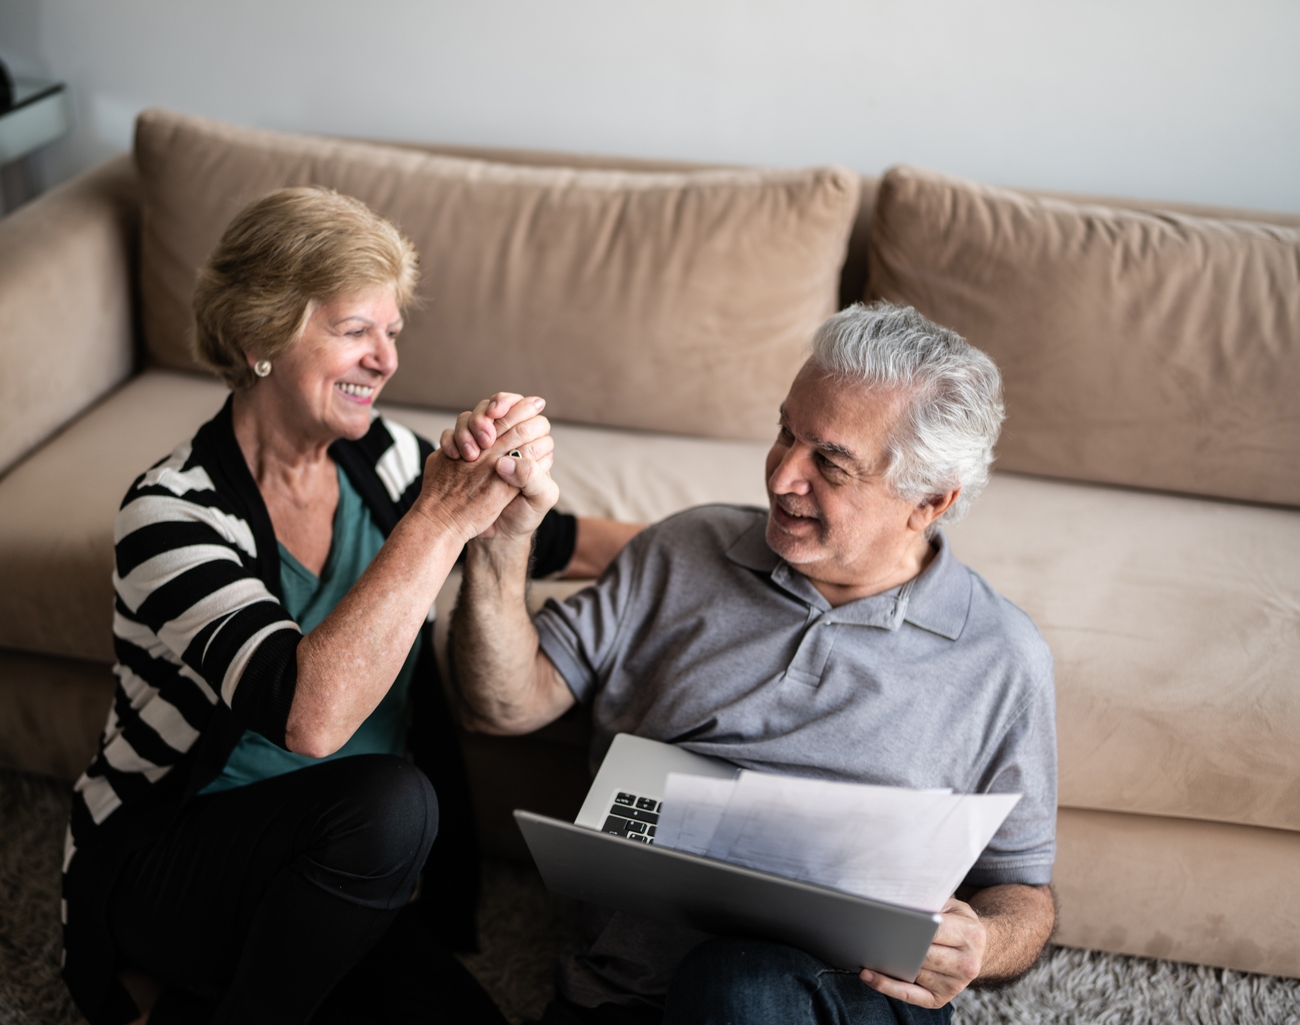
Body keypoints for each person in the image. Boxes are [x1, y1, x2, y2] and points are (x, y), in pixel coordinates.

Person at [60, 185, 641, 1025]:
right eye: (355, 329)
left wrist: (742, 538)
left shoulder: (388, 461)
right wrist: (440, 516)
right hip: (183, 855)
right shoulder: (171, 512)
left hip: (346, 877)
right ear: (261, 335)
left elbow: (569, 541)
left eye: (393, 331)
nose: (386, 360)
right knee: (394, 802)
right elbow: (310, 716)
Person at [446, 303, 1057, 1025]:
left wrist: (985, 941)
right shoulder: (682, 549)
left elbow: (1022, 890)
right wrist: (497, 542)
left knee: (740, 983)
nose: (783, 474)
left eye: (830, 463)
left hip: (842, 1002)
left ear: (929, 500)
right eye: (785, 433)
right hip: (625, 998)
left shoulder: (1000, 656)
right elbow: (503, 703)